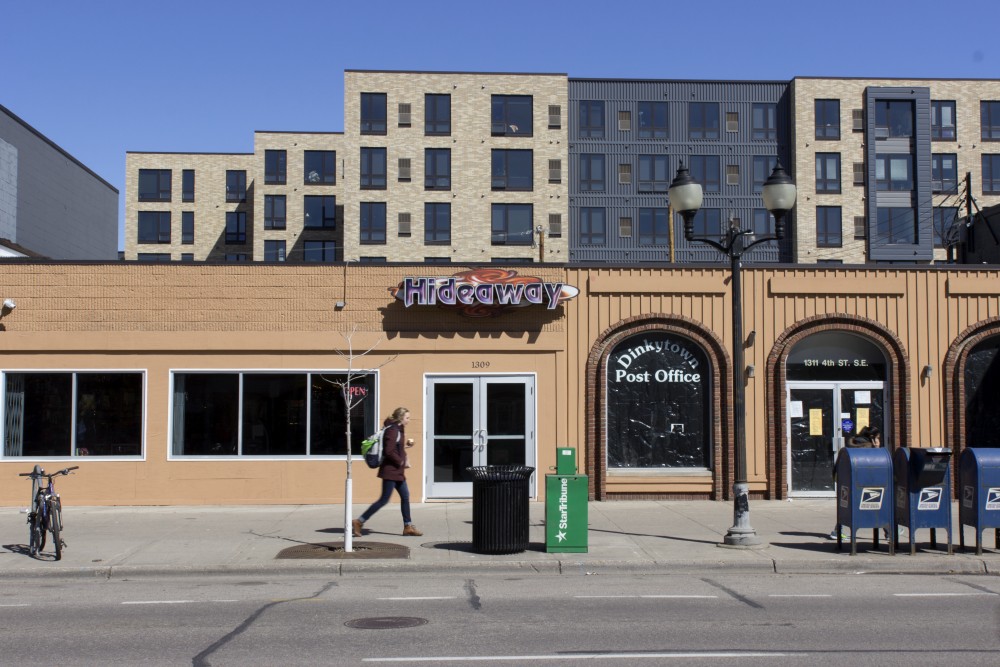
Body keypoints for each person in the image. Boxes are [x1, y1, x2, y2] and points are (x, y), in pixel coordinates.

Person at [352, 407, 422, 537]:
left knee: (405, 497)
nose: (409, 420)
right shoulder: (393, 430)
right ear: (401, 418)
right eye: (407, 417)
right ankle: (359, 521)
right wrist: (400, 461)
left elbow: (394, 447)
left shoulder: (398, 429)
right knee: (383, 500)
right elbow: (388, 451)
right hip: (390, 471)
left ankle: (408, 526)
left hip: (397, 472)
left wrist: (405, 446)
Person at [829, 426, 882, 539]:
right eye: (878, 438)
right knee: (877, 505)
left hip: (846, 480)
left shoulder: (851, 444)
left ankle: (837, 531)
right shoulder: (868, 448)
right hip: (863, 482)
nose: (879, 441)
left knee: (846, 507)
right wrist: (876, 448)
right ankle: (889, 532)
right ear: (872, 438)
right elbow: (876, 464)